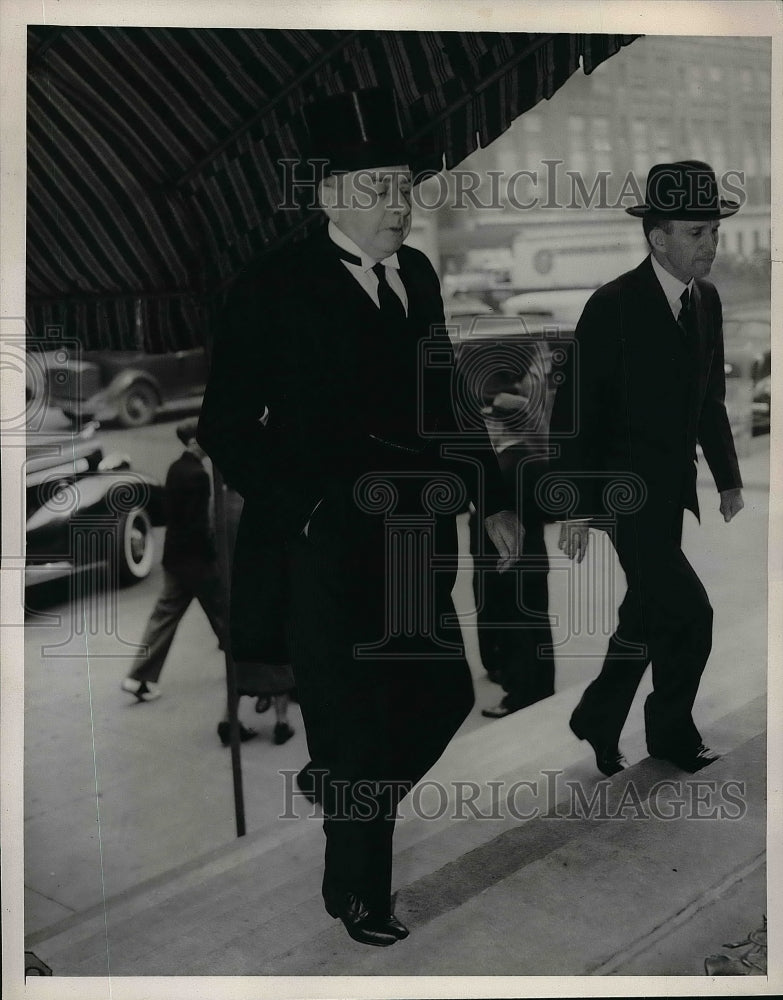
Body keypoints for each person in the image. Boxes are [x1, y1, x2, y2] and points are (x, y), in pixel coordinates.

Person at [197, 87, 521, 947]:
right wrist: (303, 506)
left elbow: (443, 394)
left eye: (404, 187)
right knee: (359, 723)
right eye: (379, 187)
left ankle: (341, 789)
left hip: (415, 542)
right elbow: (223, 427)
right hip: (325, 551)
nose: (399, 205)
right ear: (329, 195)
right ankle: (358, 893)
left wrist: (490, 497)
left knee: (444, 695)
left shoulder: (413, 275)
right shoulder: (268, 287)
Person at [549, 160, 744, 777]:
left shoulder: (705, 300)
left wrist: (729, 477)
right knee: (691, 614)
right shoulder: (612, 306)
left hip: (670, 492)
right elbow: (574, 411)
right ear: (658, 238)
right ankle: (672, 732)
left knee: (646, 612)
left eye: (714, 230)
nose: (710, 244)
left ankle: (598, 716)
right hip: (623, 495)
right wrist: (577, 505)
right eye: (696, 232)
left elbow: (708, 398)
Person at [121, 421, 259, 744]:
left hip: (174, 559)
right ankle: (247, 678)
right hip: (198, 563)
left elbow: (172, 514)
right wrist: (214, 557)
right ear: (196, 443)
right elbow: (203, 524)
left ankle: (138, 676)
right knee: (227, 619)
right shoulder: (198, 475)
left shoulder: (174, 468)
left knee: (164, 617)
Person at [468, 350, 556, 717]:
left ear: (502, 425)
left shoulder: (505, 464)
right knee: (537, 627)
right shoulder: (532, 459)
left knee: (517, 632)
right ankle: (542, 687)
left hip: (507, 564)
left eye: (490, 421)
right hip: (533, 558)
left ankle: (519, 696)